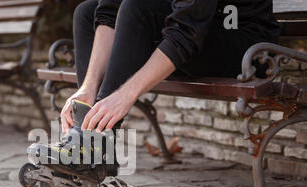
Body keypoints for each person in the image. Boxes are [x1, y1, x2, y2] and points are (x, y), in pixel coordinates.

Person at [60, 0, 281, 134]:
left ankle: (94, 143)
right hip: (197, 34)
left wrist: (124, 95)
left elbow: (186, 32)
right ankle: (88, 130)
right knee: (87, 12)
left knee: (140, 6)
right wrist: (87, 88)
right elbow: (109, 12)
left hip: (245, 46)